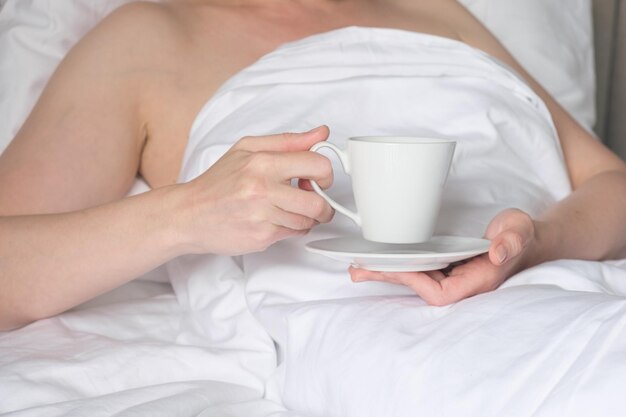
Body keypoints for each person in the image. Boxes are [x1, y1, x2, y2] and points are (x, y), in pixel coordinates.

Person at [1, 0, 625, 331]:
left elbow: (612, 184)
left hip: (565, 294)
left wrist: (537, 243)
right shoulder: (146, 37)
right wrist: (183, 214)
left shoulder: (442, 14)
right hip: (383, 335)